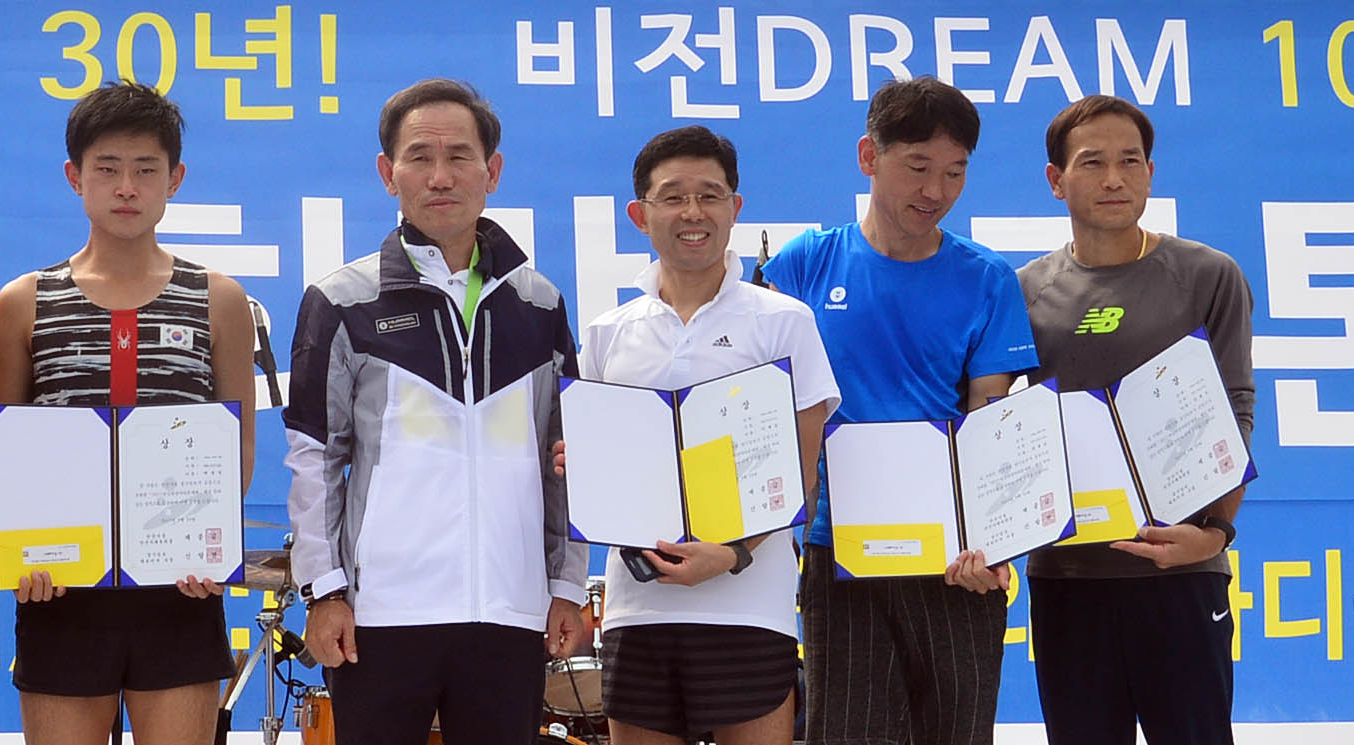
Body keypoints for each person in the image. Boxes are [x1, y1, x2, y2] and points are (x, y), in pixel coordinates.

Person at [283, 78, 587, 745]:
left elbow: (566, 460)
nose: (440, 175)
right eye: (419, 156)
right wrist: (324, 590)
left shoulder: (539, 303)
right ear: (387, 172)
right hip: (381, 616)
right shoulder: (343, 301)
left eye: (459, 156)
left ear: (492, 171)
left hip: (510, 611)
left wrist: (567, 584)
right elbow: (314, 454)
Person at [759, 76, 1039, 745]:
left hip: (952, 559)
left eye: (954, 172)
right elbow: (754, 403)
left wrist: (993, 542)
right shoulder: (802, 265)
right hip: (836, 548)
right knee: (846, 732)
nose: (935, 190)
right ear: (869, 156)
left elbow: (990, 416)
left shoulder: (987, 279)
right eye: (917, 167)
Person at [0, 81, 256, 745]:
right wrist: (26, 549)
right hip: (61, 592)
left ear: (175, 180)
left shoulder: (218, 299)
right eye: (107, 169)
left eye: (145, 170)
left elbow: (238, 445)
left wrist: (208, 543)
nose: (126, 187)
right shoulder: (24, 302)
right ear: (75, 177)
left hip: (180, 589)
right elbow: (2, 449)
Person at [555, 125, 839, 744]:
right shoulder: (608, 332)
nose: (693, 212)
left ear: (735, 208)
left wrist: (732, 554)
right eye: (673, 197)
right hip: (637, 608)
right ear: (640, 214)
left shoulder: (784, 322)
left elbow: (803, 471)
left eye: (710, 195)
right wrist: (581, 466)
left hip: (749, 606)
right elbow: (590, 466)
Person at [1017, 94, 1252, 745]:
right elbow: (1003, 427)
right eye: (1092, 162)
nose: (1114, 179)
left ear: (1150, 172)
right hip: (1067, 581)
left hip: (1179, 573)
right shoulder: (1024, 291)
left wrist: (1214, 534)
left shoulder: (1207, 275)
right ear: (1056, 179)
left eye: (1130, 161)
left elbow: (1234, 406)